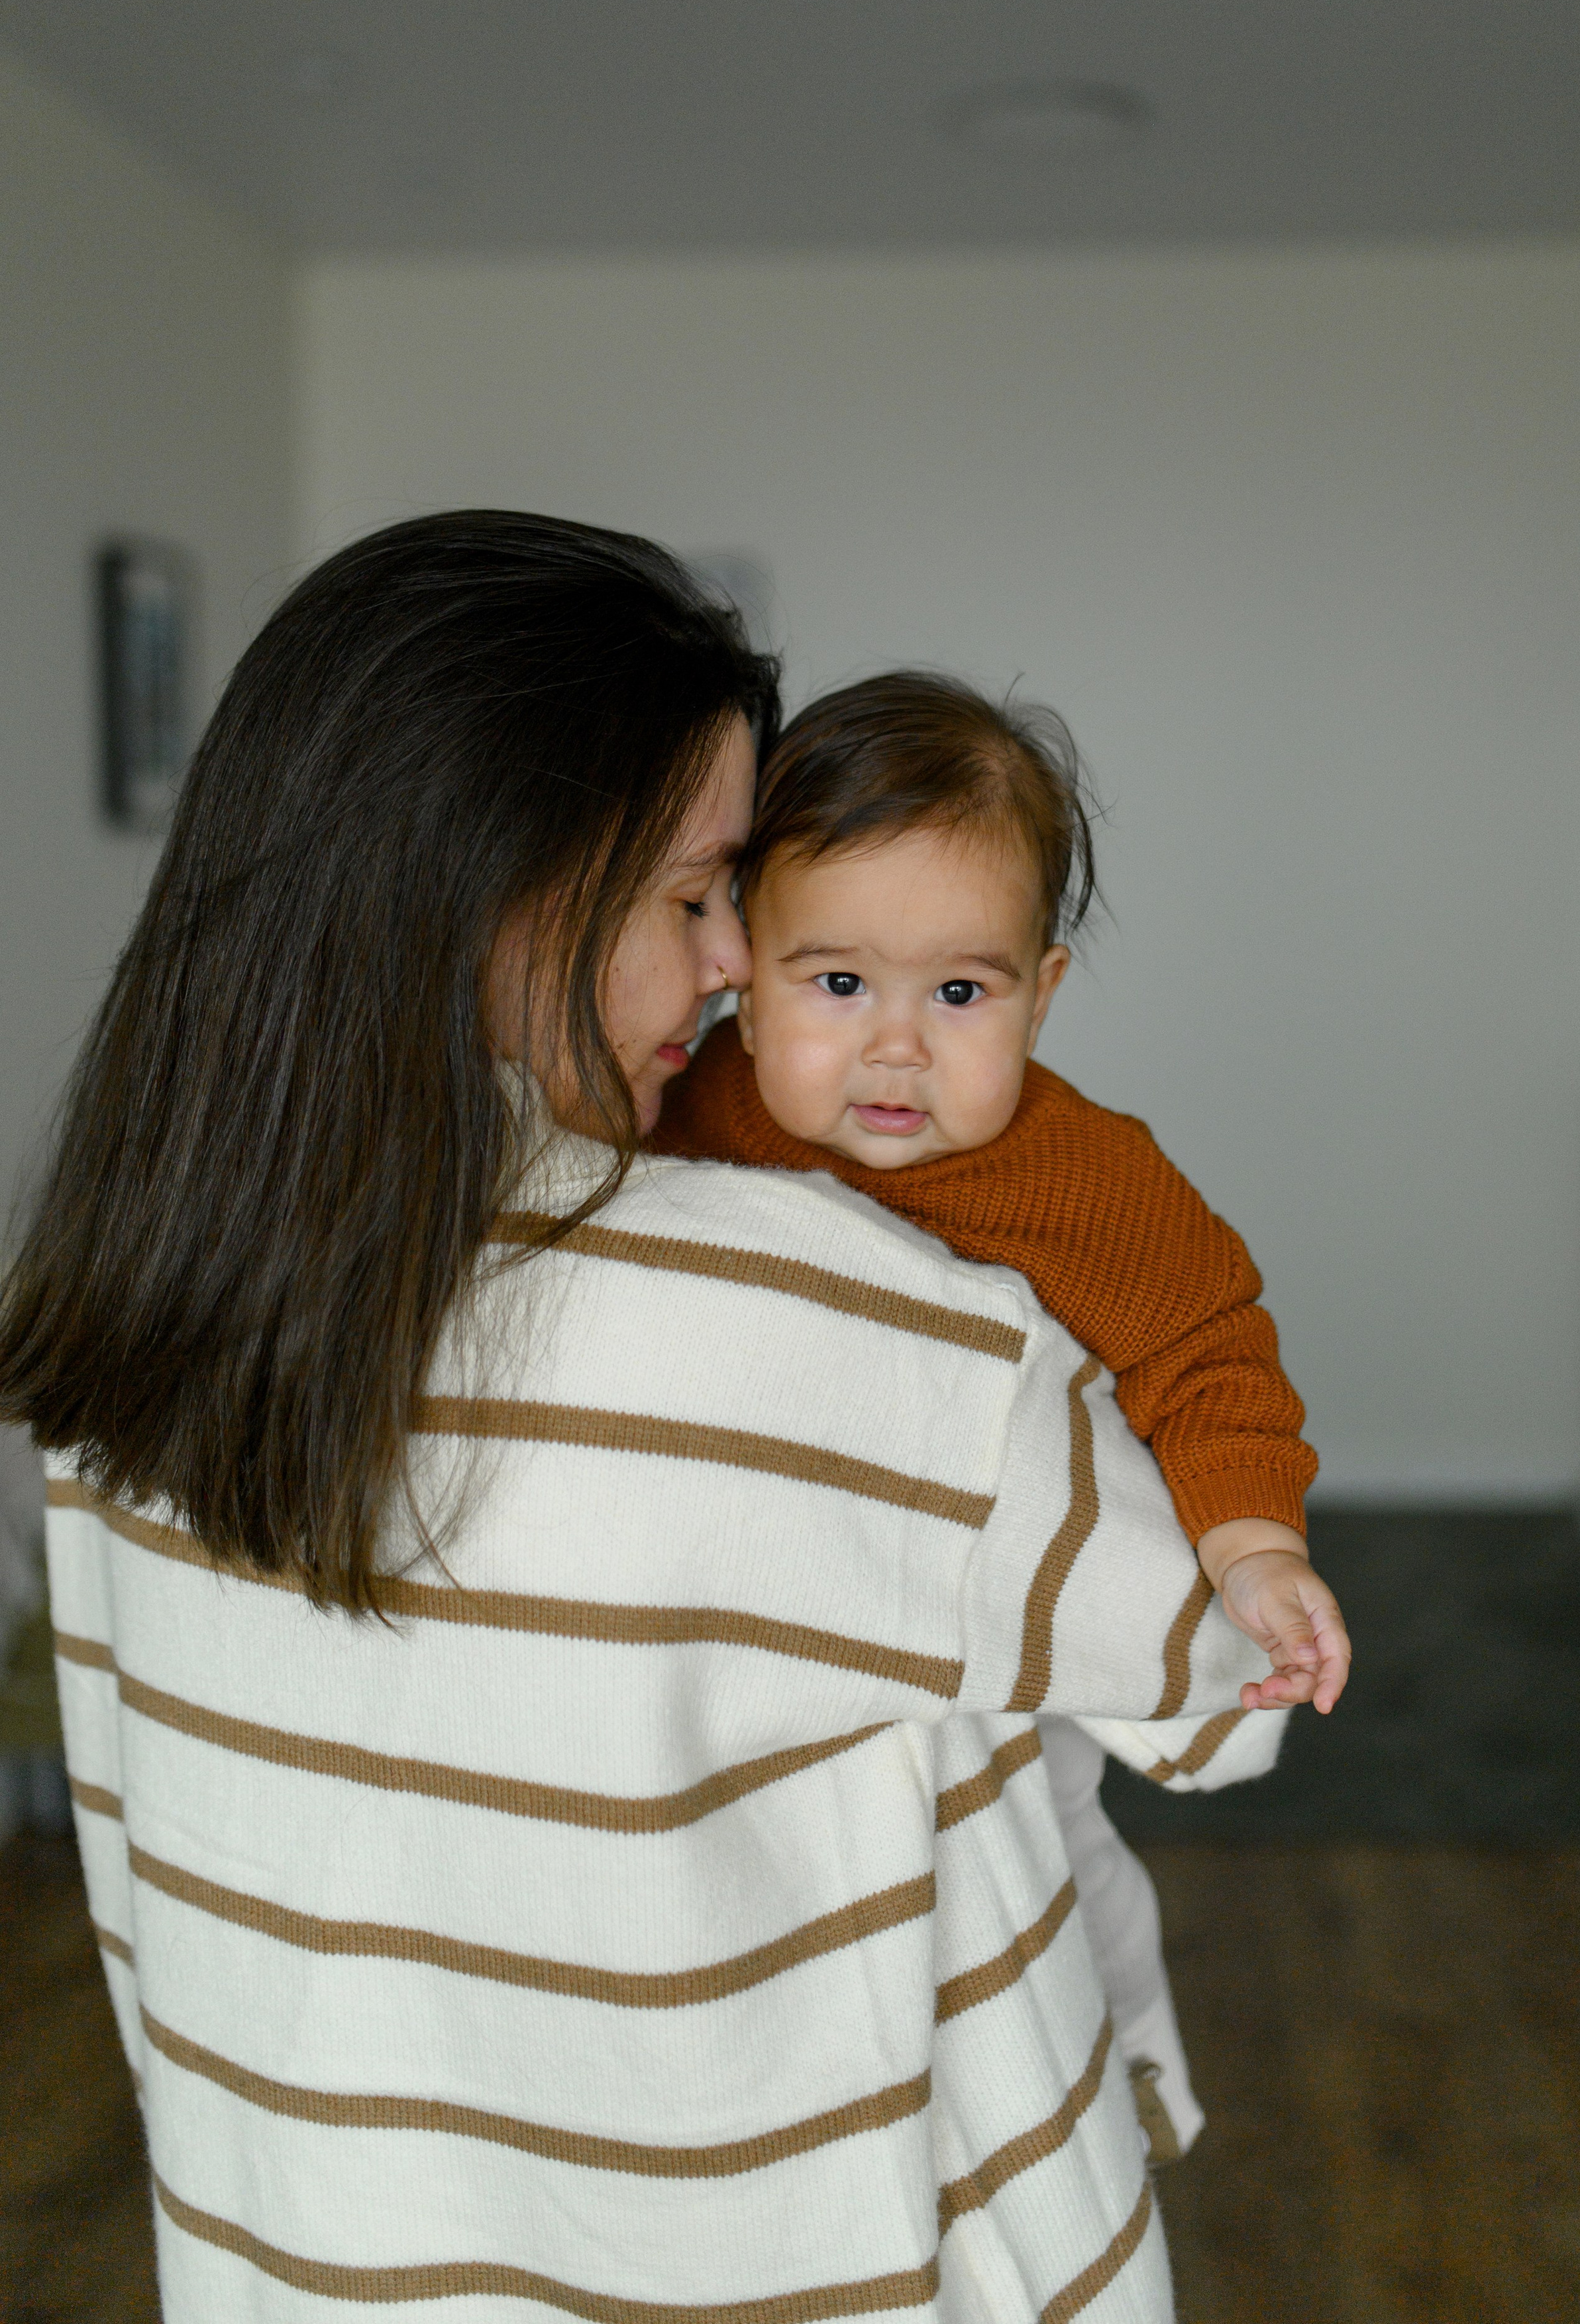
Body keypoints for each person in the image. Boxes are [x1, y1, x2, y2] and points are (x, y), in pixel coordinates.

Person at [3, 515, 1281, 2323]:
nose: (733, 972)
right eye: (697, 900)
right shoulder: (856, 1331)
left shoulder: (135, 1314)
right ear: (501, 880)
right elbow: (1220, 1698)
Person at [653, 672, 1353, 2139]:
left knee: (1049, 1853)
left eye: (957, 992)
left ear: (1040, 991)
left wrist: (1249, 1545)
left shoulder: (1086, 1174)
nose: (895, 1045)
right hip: (776, 1622)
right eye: (835, 983)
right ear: (742, 968)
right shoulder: (687, 1105)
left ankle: (1123, 2075)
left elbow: (1204, 1349)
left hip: (1004, 1642)